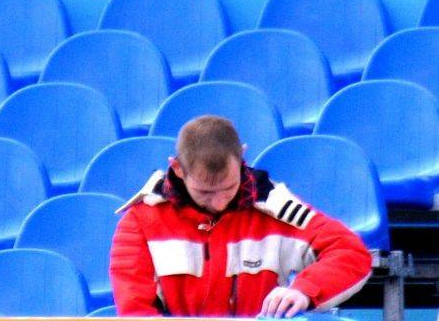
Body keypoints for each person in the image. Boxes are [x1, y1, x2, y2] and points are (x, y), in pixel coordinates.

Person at [110, 115, 372, 316]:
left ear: (242, 156)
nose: (219, 202)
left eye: (228, 188)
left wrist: (305, 290)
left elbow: (351, 252)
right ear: (177, 168)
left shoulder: (275, 208)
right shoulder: (140, 221)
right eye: (205, 192)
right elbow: (136, 312)